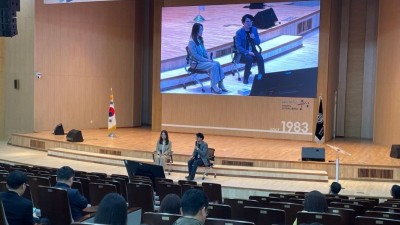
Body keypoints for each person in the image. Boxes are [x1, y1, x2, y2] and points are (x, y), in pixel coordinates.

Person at [188, 23, 227, 94]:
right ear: (196, 31)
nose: (202, 31)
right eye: (201, 30)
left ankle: (220, 83)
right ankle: (213, 85)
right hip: (196, 63)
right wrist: (207, 60)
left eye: (202, 29)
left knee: (217, 63)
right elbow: (196, 56)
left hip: (202, 62)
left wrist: (209, 59)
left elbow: (204, 52)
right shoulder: (191, 42)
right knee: (214, 65)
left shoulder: (199, 39)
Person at [235, 14, 265, 84]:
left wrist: (253, 38)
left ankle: (262, 76)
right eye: (247, 22)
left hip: (253, 50)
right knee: (249, 58)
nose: (249, 23)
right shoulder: (239, 32)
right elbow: (238, 46)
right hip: (243, 52)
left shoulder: (254, 29)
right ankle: (246, 78)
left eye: (251, 21)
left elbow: (258, 42)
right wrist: (248, 52)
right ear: (243, 23)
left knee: (260, 58)